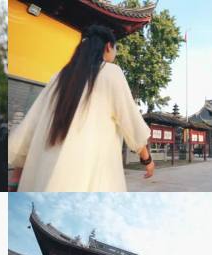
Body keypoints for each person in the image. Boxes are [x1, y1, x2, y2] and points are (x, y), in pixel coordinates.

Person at [8, 25, 154, 192]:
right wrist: (147, 160)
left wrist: (17, 174)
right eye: (115, 48)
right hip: (89, 173)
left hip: (43, 173)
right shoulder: (112, 73)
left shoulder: (59, 76)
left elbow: (31, 126)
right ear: (108, 46)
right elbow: (130, 122)